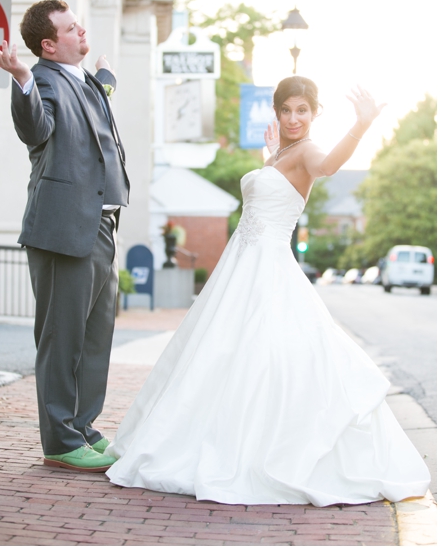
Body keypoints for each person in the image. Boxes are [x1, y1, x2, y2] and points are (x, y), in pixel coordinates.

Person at [106, 76, 431, 505]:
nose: (294, 118)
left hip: (267, 266)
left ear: (315, 113)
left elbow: (329, 165)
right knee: (223, 353)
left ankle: (257, 451)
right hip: (241, 264)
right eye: (286, 110)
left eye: (303, 110)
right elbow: (272, 188)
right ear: (275, 112)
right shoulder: (284, 151)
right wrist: (269, 157)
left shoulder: (310, 151)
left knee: (261, 356)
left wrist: (362, 125)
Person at [0, 0, 129, 472]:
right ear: (49, 45)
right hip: (63, 227)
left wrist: (106, 77)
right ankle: (60, 441)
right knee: (61, 339)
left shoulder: (84, 79)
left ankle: (84, 428)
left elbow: (97, 103)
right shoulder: (43, 81)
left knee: (95, 338)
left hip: (102, 225)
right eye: (71, 29)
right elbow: (37, 127)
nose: (81, 30)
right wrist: (20, 77)